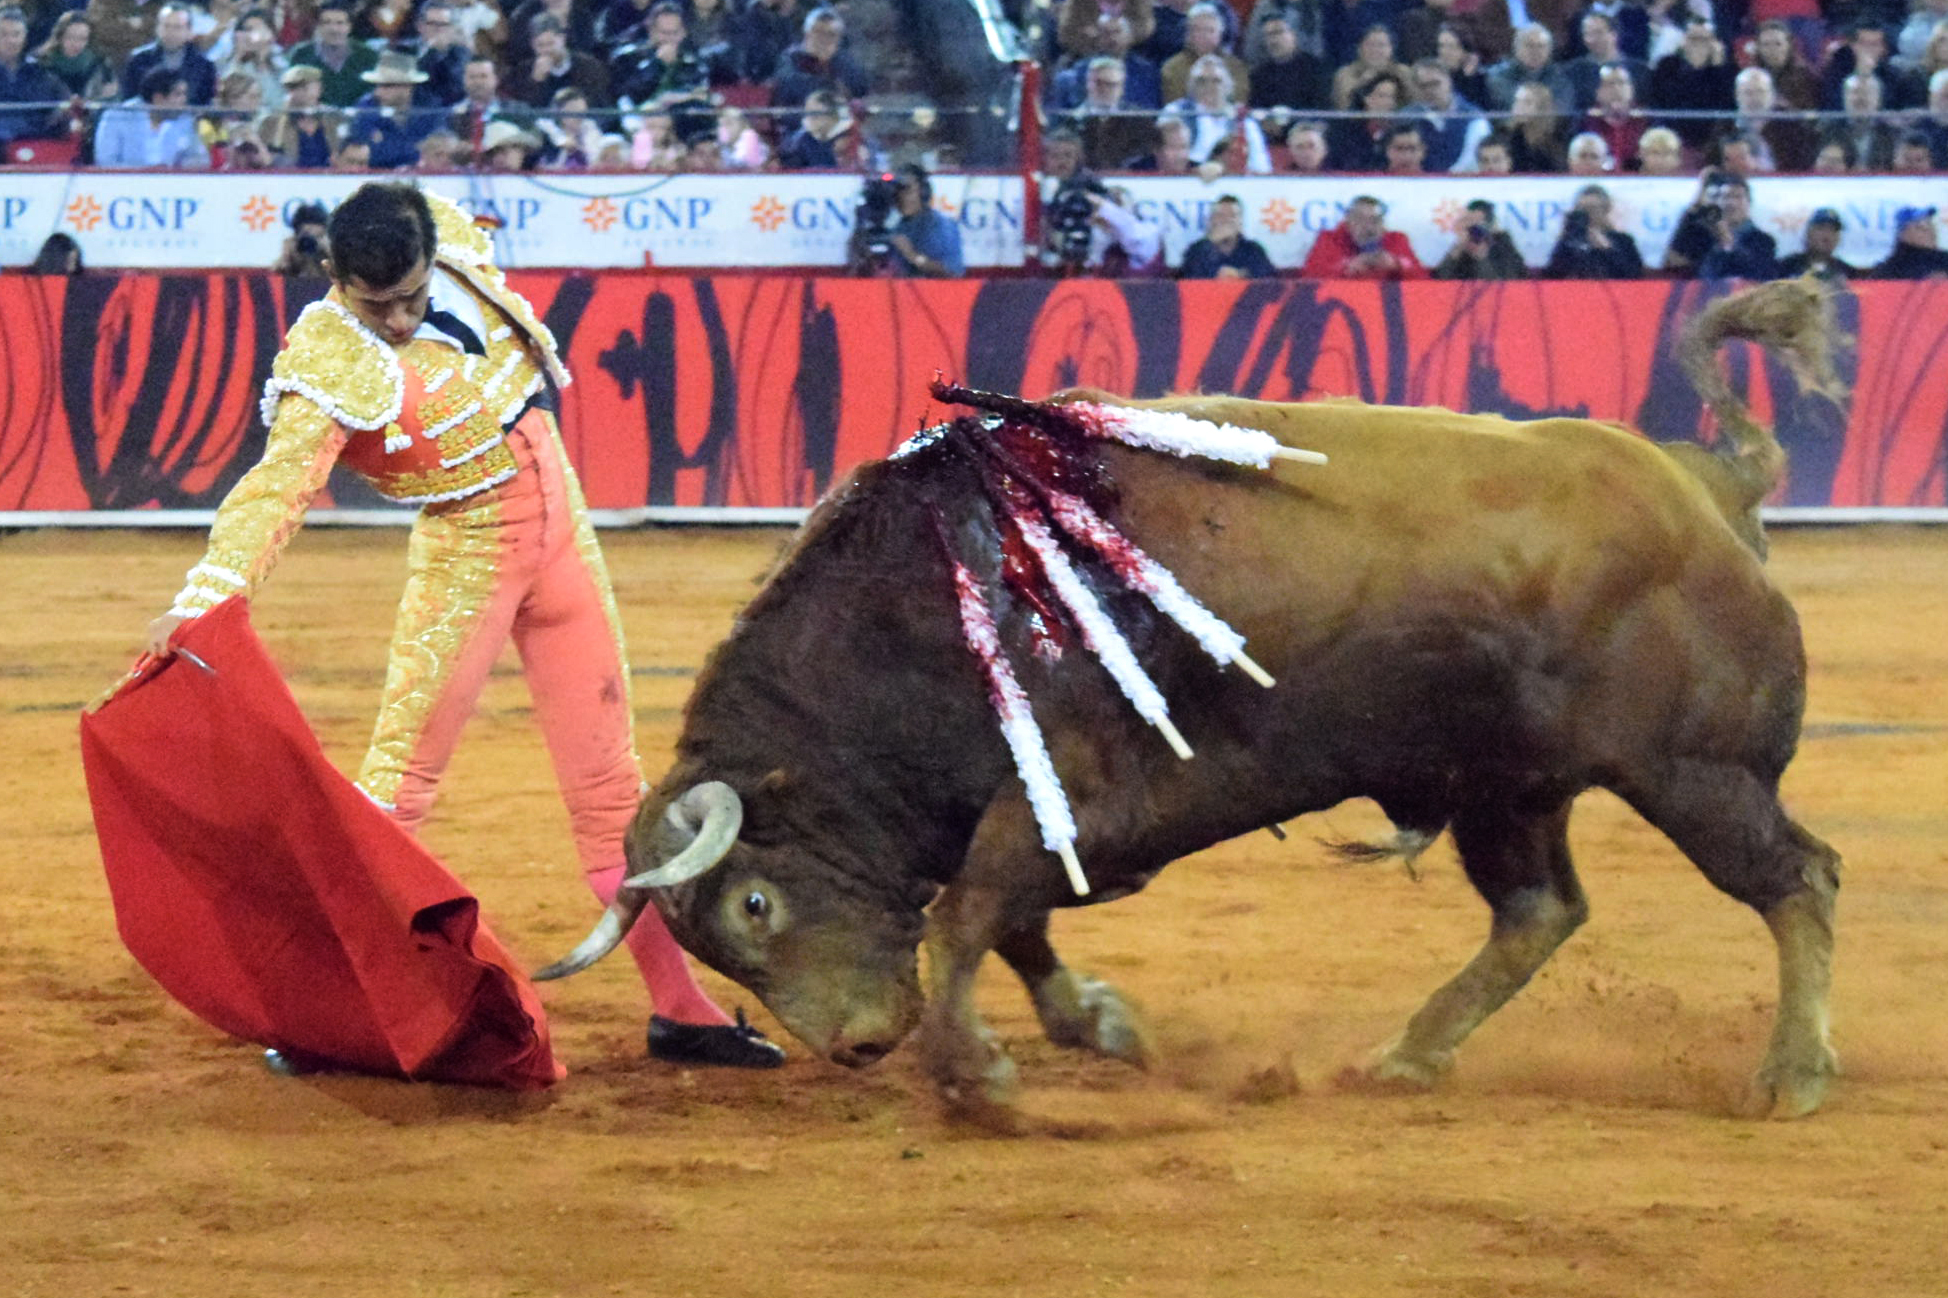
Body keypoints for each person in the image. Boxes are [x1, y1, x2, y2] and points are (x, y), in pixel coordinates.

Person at [141, 183, 786, 1071]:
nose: (402, 318)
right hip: (468, 556)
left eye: (412, 294)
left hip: (564, 533)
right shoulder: (326, 357)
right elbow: (276, 488)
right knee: (394, 797)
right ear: (335, 277)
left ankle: (681, 1007)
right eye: (380, 305)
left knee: (611, 795)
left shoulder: (442, 231)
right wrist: (210, 592)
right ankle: (336, 1012)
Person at [93, 66, 210, 165]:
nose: (184, 100)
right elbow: (105, 162)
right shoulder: (117, 117)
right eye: (178, 95)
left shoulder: (185, 121)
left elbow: (201, 160)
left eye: (184, 94)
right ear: (158, 98)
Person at [865, 164, 963, 277]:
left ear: (923, 193)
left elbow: (953, 270)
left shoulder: (942, 225)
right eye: (897, 192)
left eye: (907, 191)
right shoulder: (898, 227)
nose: (901, 197)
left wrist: (914, 257)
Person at [1299, 194, 1428, 278]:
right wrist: (1347, 268)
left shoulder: (1396, 240)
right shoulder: (1330, 239)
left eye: (1374, 220)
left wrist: (1397, 264)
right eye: (1360, 219)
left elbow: (1424, 281)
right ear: (1348, 220)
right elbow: (1310, 276)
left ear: (1383, 223)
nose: (1367, 226)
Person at [286, 0, 379, 108]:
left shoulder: (368, 55)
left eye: (340, 23)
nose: (334, 29)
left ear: (349, 26)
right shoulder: (301, 55)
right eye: (327, 23)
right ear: (318, 26)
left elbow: (373, 94)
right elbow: (293, 92)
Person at [120, 3, 216, 108]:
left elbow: (205, 105)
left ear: (189, 31)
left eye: (177, 27)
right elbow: (129, 98)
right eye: (166, 26)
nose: (170, 32)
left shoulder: (204, 66)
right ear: (157, 28)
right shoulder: (139, 60)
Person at [1541, 182, 1642, 277]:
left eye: (1592, 209)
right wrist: (1566, 240)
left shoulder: (1623, 240)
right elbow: (1552, 275)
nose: (1588, 214)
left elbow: (1633, 274)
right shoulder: (1569, 241)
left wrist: (1608, 249)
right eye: (1582, 208)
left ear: (1605, 209)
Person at [1695, 174, 1777, 280]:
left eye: (1737, 197)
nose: (1730, 203)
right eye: (1725, 197)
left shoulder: (1763, 241)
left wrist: (1728, 243)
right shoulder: (1705, 238)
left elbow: (1757, 273)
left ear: (1748, 203)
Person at [1179, 192, 1275, 278]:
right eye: (1220, 215)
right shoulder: (1196, 250)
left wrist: (1240, 275)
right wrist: (1210, 244)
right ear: (1210, 220)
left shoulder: (1254, 250)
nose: (1226, 220)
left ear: (1240, 222)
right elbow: (1189, 278)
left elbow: (1267, 278)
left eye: (1232, 216)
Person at [1432, 198, 1527, 278]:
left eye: (1480, 224)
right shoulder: (1463, 246)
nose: (1476, 230)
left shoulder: (1502, 244)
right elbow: (1440, 279)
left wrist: (1482, 259)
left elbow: (1507, 284)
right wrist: (1457, 249)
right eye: (1470, 222)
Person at [1776, 209, 1858, 282]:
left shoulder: (1847, 272)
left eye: (1834, 230)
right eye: (1821, 228)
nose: (1827, 235)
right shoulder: (1786, 267)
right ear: (1808, 233)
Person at [1871, 205, 1948, 278]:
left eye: (1930, 224)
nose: (1931, 231)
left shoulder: (1943, 259)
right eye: (1920, 227)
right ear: (1903, 232)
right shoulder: (1892, 268)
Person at [271, 200, 329, 275]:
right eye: (304, 228)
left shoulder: (330, 245)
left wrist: (325, 248)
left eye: (312, 227)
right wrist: (288, 254)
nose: (308, 230)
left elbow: (341, 269)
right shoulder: (293, 244)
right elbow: (278, 269)